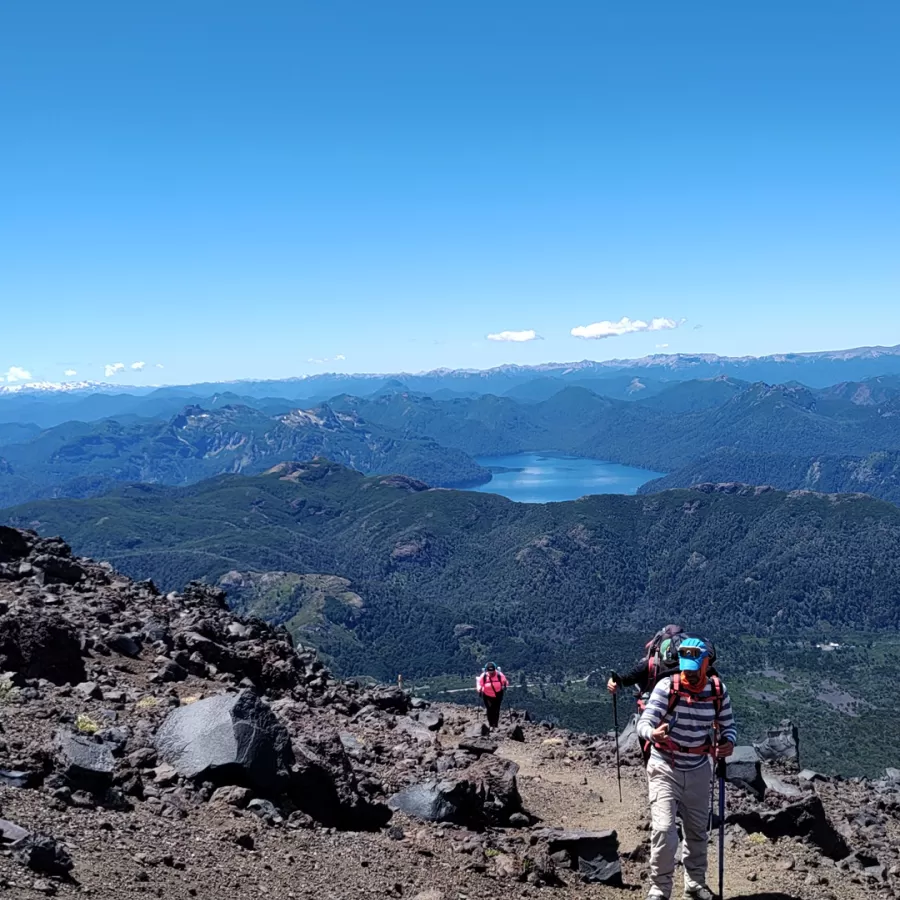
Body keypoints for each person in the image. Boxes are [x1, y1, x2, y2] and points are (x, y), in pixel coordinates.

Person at [636, 637, 736, 900]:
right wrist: (652, 733)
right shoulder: (667, 687)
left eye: (695, 668)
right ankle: (659, 890)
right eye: (686, 668)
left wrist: (729, 742)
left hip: (699, 769)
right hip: (664, 766)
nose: (689, 674)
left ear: (707, 664)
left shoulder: (717, 691)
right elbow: (644, 722)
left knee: (697, 831)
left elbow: (728, 726)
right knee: (664, 831)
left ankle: (694, 883)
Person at [476, 662, 508, 728]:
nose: (491, 673)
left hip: (498, 694)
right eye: (489, 671)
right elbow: (479, 683)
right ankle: (491, 724)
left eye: (492, 671)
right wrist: (479, 689)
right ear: (487, 670)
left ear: (495, 669)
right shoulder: (484, 676)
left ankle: (495, 724)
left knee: (496, 709)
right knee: (489, 709)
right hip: (487, 695)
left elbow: (505, 682)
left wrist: (504, 686)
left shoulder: (499, 675)